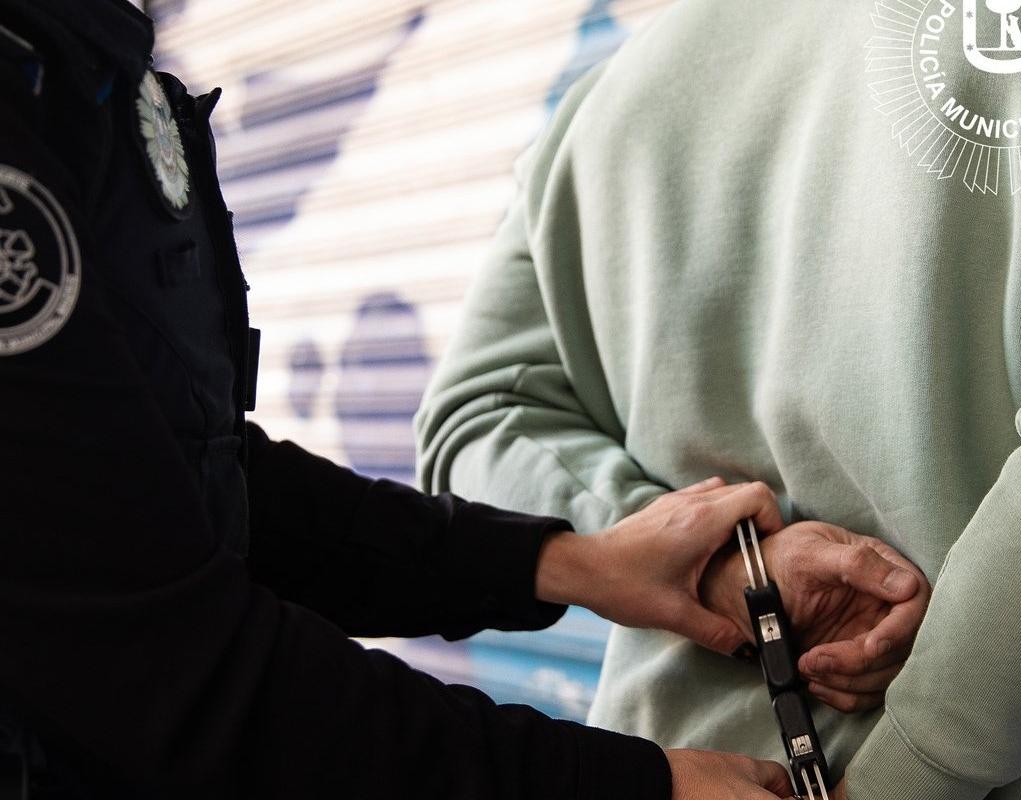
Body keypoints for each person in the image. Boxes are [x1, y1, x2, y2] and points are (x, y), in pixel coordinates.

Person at [0, 1, 932, 798]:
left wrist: (577, 561)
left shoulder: (75, 59)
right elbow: (173, 666)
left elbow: (184, 486)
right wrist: (633, 783)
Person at [413, 0, 1021, 798]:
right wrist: (900, 778)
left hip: (677, 770)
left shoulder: (605, 103)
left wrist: (717, 568)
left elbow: (474, 423)